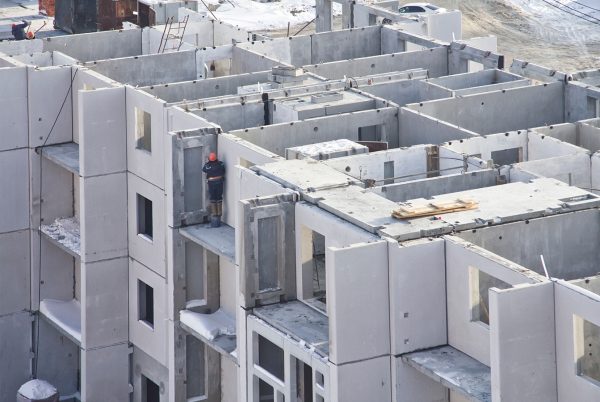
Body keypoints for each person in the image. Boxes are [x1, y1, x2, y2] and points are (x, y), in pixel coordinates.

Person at [202, 152, 225, 227]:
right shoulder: (221, 164)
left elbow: (204, 169)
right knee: (219, 198)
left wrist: (207, 162)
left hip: (211, 183)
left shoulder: (208, 166)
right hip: (219, 182)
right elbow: (223, 170)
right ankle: (219, 213)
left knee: (213, 198)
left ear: (209, 159)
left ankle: (215, 213)